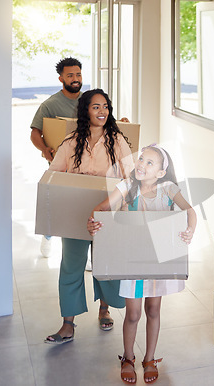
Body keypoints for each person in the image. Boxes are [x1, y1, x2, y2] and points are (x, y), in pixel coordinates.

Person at [87, 144, 197, 384]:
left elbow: (190, 211)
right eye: (141, 159)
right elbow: (102, 208)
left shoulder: (167, 189)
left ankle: (149, 359)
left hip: (156, 262)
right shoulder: (127, 186)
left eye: (150, 163)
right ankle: (128, 358)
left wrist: (189, 230)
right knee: (133, 314)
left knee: (153, 310)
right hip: (132, 261)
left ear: (160, 173)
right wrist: (94, 220)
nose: (142, 165)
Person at [44, 88, 135, 344]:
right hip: (76, 214)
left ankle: (105, 309)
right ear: (85, 110)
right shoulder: (71, 141)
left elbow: (130, 180)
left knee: (105, 265)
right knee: (71, 266)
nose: (102, 111)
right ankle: (67, 324)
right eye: (96, 107)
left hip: (109, 213)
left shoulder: (117, 141)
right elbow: (55, 175)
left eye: (105, 106)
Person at [30, 57, 83, 258]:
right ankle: (48, 234)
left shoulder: (89, 101)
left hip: (86, 164)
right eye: (70, 75)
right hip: (61, 164)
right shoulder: (50, 105)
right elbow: (35, 132)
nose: (75, 79)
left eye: (78, 74)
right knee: (58, 205)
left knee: (81, 207)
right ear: (61, 78)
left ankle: (82, 253)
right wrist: (44, 149)